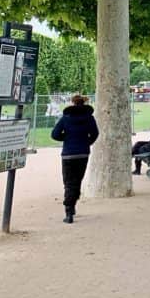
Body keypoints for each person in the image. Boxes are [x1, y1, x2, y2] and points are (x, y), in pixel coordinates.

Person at [50, 94, 99, 223]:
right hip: (83, 153)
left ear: (73, 103)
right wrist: (87, 142)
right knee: (77, 180)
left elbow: (54, 134)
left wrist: (66, 138)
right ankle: (72, 205)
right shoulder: (89, 118)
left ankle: (69, 210)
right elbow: (95, 133)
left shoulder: (65, 118)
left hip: (68, 154)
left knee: (68, 182)